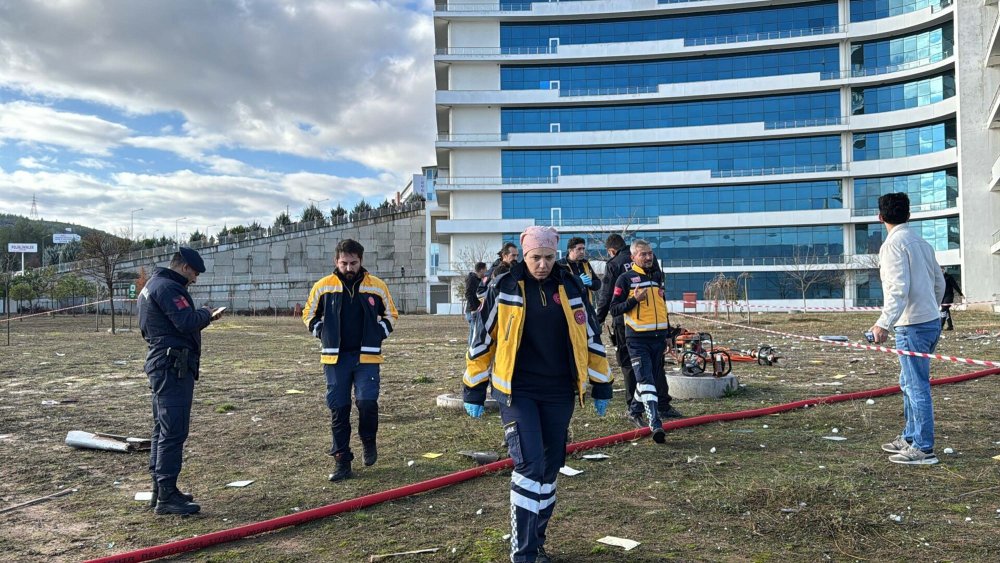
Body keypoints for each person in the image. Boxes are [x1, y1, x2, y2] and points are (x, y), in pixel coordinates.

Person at [463, 226, 612, 563]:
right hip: (517, 391)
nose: (542, 264)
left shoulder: (571, 286)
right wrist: (473, 387)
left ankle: (537, 540)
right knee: (530, 464)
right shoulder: (505, 287)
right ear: (523, 255)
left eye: (547, 257)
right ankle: (523, 551)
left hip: (559, 390)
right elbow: (482, 339)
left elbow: (590, 336)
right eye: (534, 258)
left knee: (549, 467)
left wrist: (602, 383)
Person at [303, 239, 399, 481]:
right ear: (336, 261)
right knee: (339, 409)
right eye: (344, 263)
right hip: (335, 359)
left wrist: (379, 333)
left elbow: (391, 314)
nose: (348, 267)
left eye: (353, 263)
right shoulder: (323, 287)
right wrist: (321, 332)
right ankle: (342, 461)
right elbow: (308, 313)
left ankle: (368, 440)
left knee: (367, 403)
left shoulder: (376, 286)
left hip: (367, 356)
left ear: (361, 261)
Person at [139, 247, 223, 515]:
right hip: (172, 366)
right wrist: (207, 314)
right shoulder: (167, 288)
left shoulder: (153, 285)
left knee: (162, 430)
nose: (195, 279)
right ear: (185, 267)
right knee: (173, 431)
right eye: (194, 273)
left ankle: (161, 489)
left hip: (164, 363)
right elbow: (186, 321)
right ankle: (166, 496)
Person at [867, 193, 945, 465]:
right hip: (930, 322)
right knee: (909, 382)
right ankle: (910, 436)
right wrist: (930, 309)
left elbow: (897, 289)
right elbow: (939, 283)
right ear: (908, 215)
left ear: (880, 217)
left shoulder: (892, 245)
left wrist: (883, 323)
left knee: (916, 386)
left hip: (911, 326)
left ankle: (923, 448)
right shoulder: (922, 243)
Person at [596, 234, 681, 427]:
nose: (649, 258)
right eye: (644, 254)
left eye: (650, 254)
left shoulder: (657, 275)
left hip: (658, 337)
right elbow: (613, 307)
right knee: (643, 375)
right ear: (633, 257)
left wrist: (668, 334)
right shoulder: (624, 278)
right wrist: (634, 300)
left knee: (654, 373)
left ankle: (637, 408)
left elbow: (662, 306)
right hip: (636, 337)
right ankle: (654, 421)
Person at [557, 236, 601, 306]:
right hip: (569, 307)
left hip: (587, 306)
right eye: (579, 249)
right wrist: (578, 281)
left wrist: (591, 283)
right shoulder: (560, 265)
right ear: (570, 250)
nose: (582, 252)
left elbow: (598, 283)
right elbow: (558, 287)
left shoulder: (586, 264)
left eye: (583, 248)